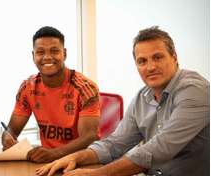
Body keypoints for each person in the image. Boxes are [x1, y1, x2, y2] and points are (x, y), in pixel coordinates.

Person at [36, 26, 210, 176]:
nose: (150, 67)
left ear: (174, 57)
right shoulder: (142, 97)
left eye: (158, 57)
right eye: (142, 61)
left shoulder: (195, 91)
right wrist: (74, 157)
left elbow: (160, 149)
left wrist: (99, 174)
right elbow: (115, 144)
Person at [1, 26, 101, 163]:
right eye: (40, 52)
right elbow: (12, 129)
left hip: (80, 161)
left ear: (64, 53)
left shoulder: (86, 88)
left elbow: (90, 137)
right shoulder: (27, 87)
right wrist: (7, 136)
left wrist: (55, 153)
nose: (47, 57)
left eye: (54, 51)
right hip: (46, 161)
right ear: (33, 56)